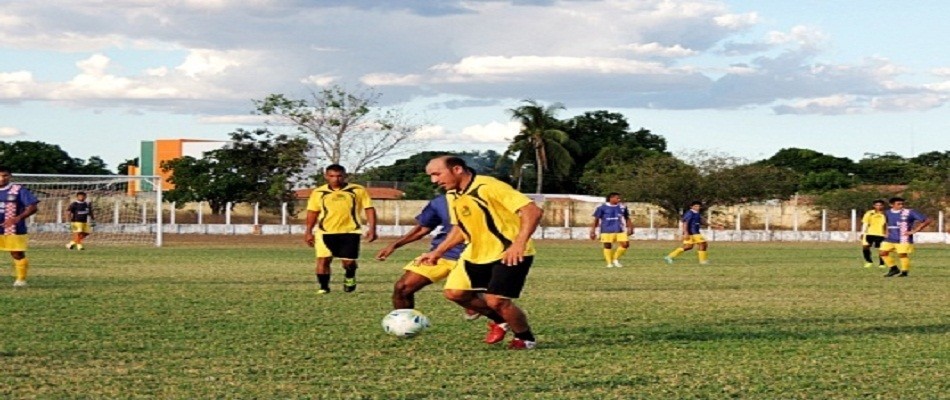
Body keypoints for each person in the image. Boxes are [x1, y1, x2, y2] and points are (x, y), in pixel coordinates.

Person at [418, 156, 543, 350]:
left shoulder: (488, 186)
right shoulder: (453, 195)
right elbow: (461, 228)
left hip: (507, 252)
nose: (434, 180)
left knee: (496, 301)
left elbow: (532, 210)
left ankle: (525, 338)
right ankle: (501, 321)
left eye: (437, 174)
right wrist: (438, 251)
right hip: (475, 252)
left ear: (457, 169)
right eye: (431, 176)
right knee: (455, 293)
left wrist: (519, 243)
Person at [375, 194, 473, 315]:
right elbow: (422, 229)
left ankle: (485, 310)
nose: (437, 183)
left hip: (476, 256)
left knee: (466, 298)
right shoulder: (440, 202)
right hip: (442, 255)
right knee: (402, 288)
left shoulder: (485, 196)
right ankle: (405, 323)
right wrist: (394, 245)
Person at [304, 164, 377, 294]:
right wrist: (308, 231)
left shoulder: (357, 190)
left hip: (350, 231)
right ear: (326, 176)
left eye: (339, 176)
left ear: (345, 176)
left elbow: (369, 209)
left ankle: (350, 275)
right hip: (325, 231)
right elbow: (312, 212)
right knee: (323, 260)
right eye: (332, 176)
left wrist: (372, 228)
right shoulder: (318, 192)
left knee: (348, 263)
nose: (336, 179)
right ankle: (324, 287)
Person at [0, 167, 40, 287]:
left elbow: (33, 207)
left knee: (17, 254)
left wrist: (18, 218)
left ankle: (21, 280)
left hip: (13, 228)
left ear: (10, 176)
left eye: (5, 175)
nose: (2, 178)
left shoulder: (18, 189)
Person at [880, 197, 931, 278]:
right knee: (882, 253)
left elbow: (927, 220)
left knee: (902, 255)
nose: (901, 206)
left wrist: (915, 230)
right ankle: (893, 269)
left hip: (903, 238)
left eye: (902, 204)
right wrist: (885, 232)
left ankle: (904, 272)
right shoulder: (887, 213)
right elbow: (885, 223)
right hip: (890, 237)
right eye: (898, 204)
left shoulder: (909, 212)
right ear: (891, 205)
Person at [590, 192, 634, 268]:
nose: (619, 199)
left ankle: (615, 259)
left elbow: (627, 218)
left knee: (625, 244)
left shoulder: (622, 207)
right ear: (611, 198)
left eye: (619, 198)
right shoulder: (601, 208)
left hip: (619, 229)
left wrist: (630, 227)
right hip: (606, 229)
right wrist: (593, 231)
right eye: (617, 198)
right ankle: (609, 263)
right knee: (607, 246)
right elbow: (596, 220)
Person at [859, 200, 887, 268]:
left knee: (882, 249)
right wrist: (862, 233)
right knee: (865, 246)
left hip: (881, 234)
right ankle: (869, 261)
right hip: (869, 233)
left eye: (880, 205)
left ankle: (882, 264)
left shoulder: (886, 214)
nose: (878, 206)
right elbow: (865, 223)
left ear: (883, 206)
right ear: (874, 206)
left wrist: (887, 233)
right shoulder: (869, 213)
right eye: (877, 205)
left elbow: (887, 224)